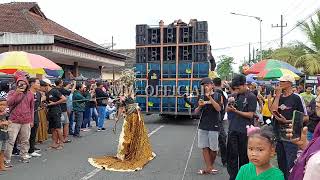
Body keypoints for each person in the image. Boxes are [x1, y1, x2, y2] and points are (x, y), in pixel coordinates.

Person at [88, 95, 155, 171]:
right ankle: (129, 151)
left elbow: (120, 109)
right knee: (135, 135)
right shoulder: (128, 100)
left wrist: (117, 118)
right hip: (135, 117)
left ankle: (122, 155)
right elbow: (121, 108)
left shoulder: (124, 102)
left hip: (132, 118)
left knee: (126, 137)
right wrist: (118, 117)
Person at [270, 74, 305, 180]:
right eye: (279, 82)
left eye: (282, 82)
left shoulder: (297, 98)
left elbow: (305, 117)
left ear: (289, 83)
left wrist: (288, 121)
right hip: (278, 133)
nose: (280, 84)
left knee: (290, 164)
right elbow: (273, 111)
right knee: (281, 163)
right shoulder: (278, 97)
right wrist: (277, 96)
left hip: (291, 135)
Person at [226, 74, 257, 180]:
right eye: (234, 88)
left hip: (245, 131)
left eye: (238, 88)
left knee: (244, 156)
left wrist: (236, 111)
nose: (236, 90)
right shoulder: (234, 95)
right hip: (233, 128)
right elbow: (226, 110)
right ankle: (233, 177)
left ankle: (243, 177)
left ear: (244, 85)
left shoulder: (251, 96)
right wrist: (229, 106)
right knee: (232, 155)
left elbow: (250, 115)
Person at [4, 75, 34, 166]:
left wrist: (31, 120)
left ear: (27, 85)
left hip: (26, 120)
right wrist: (16, 93)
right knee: (10, 140)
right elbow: (8, 103)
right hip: (14, 120)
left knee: (25, 140)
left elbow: (31, 108)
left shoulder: (30, 94)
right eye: (20, 83)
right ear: (17, 84)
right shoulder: (12, 92)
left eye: (24, 84)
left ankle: (24, 155)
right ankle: (6, 159)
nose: (22, 85)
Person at [194, 77, 222, 175]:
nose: (205, 87)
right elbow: (196, 112)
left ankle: (209, 167)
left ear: (212, 85)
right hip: (203, 125)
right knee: (204, 147)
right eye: (203, 86)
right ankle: (209, 167)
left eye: (207, 85)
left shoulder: (218, 95)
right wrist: (199, 106)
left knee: (214, 149)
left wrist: (210, 98)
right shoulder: (201, 96)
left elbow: (218, 109)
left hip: (214, 125)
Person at [41, 79, 66, 150]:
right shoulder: (46, 93)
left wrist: (54, 103)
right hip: (50, 111)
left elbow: (64, 99)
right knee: (52, 129)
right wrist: (45, 104)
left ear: (46, 85)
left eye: (42, 87)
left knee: (58, 128)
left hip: (56, 111)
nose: (41, 89)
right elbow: (47, 101)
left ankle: (61, 143)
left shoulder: (54, 91)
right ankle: (54, 143)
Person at [213, 77, 228, 166]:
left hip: (215, 119)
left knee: (216, 138)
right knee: (222, 138)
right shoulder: (225, 94)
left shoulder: (215, 94)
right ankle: (224, 160)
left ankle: (212, 158)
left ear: (213, 84)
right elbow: (225, 107)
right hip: (222, 118)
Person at [28, 78, 42, 157]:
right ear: (32, 84)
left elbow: (38, 104)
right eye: (38, 83)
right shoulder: (27, 93)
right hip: (27, 116)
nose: (39, 85)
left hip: (36, 115)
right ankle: (24, 150)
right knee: (26, 135)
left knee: (33, 133)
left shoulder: (38, 94)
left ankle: (31, 150)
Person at [55, 79, 72, 143]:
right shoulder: (61, 89)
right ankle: (63, 139)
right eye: (62, 82)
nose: (62, 83)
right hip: (62, 108)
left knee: (60, 124)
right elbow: (69, 92)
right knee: (65, 123)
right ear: (59, 83)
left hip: (57, 108)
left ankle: (60, 139)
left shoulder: (53, 89)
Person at [0, 93, 10, 172]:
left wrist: (7, 122)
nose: (2, 106)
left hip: (4, 135)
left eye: (4, 105)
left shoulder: (4, 114)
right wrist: (3, 123)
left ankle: (2, 165)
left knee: (2, 151)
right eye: (1, 105)